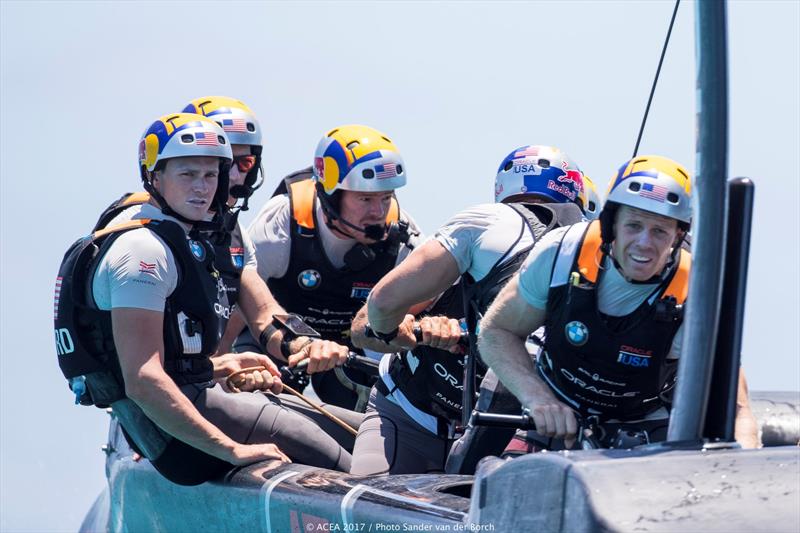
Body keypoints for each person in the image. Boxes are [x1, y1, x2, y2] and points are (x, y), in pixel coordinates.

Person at [54, 113, 352, 487]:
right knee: (344, 462)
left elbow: (253, 316)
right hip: (174, 441)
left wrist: (219, 366)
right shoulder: (142, 251)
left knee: (354, 429)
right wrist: (231, 450)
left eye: (211, 175)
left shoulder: (193, 233)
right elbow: (143, 380)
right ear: (154, 177)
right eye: (187, 174)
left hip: (191, 400)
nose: (202, 188)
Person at [478, 155, 760, 450]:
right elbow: (497, 332)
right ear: (611, 225)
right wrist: (538, 398)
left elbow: (737, 409)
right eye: (634, 226)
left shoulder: (698, 292)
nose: (644, 243)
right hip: (553, 407)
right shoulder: (559, 254)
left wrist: (746, 463)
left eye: (660, 231)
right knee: (491, 468)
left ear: (678, 236)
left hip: (646, 419)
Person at [349, 145, 588, 475]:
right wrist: (411, 332)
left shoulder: (489, 225)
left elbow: (377, 311)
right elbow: (365, 326)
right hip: (413, 415)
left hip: (504, 432)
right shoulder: (495, 230)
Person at [239, 124, 424, 410]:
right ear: (330, 193)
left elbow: (432, 302)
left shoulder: (404, 238)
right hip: (274, 335)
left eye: (386, 198)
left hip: (348, 350)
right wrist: (217, 372)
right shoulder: (279, 224)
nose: (378, 213)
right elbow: (235, 301)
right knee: (248, 397)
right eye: (365, 199)